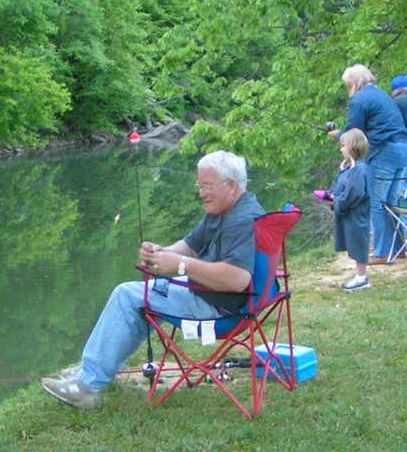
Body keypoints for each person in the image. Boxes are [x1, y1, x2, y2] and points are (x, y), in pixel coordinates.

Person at [40, 150, 264, 409]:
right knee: (137, 298)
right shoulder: (225, 209)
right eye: (199, 185)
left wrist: (180, 265)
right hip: (211, 296)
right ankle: (98, 369)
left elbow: (237, 279)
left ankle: (89, 386)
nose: (201, 192)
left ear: (231, 185)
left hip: (219, 309)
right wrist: (162, 253)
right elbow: (191, 245)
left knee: (127, 295)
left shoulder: (242, 220)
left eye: (207, 186)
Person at [327, 64, 407, 265]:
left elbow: (354, 135)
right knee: (391, 203)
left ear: (354, 83)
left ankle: (381, 252)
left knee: (376, 202)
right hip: (403, 148)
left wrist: (337, 135)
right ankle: (399, 249)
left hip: (384, 151)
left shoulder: (359, 99)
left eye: (348, 84)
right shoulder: (382, 95)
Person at [328, 129, 372, 291]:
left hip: (357, 214)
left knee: (359, 242)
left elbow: (355, 194)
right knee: (352, 241)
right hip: (348, 214)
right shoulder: (347, 169)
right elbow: (339, 188)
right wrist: (330, 198)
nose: (340, 149)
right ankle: (358, 275)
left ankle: (362, 277)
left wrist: (338, 202)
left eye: (343, 145)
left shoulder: (360, 170)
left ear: (352, 147)